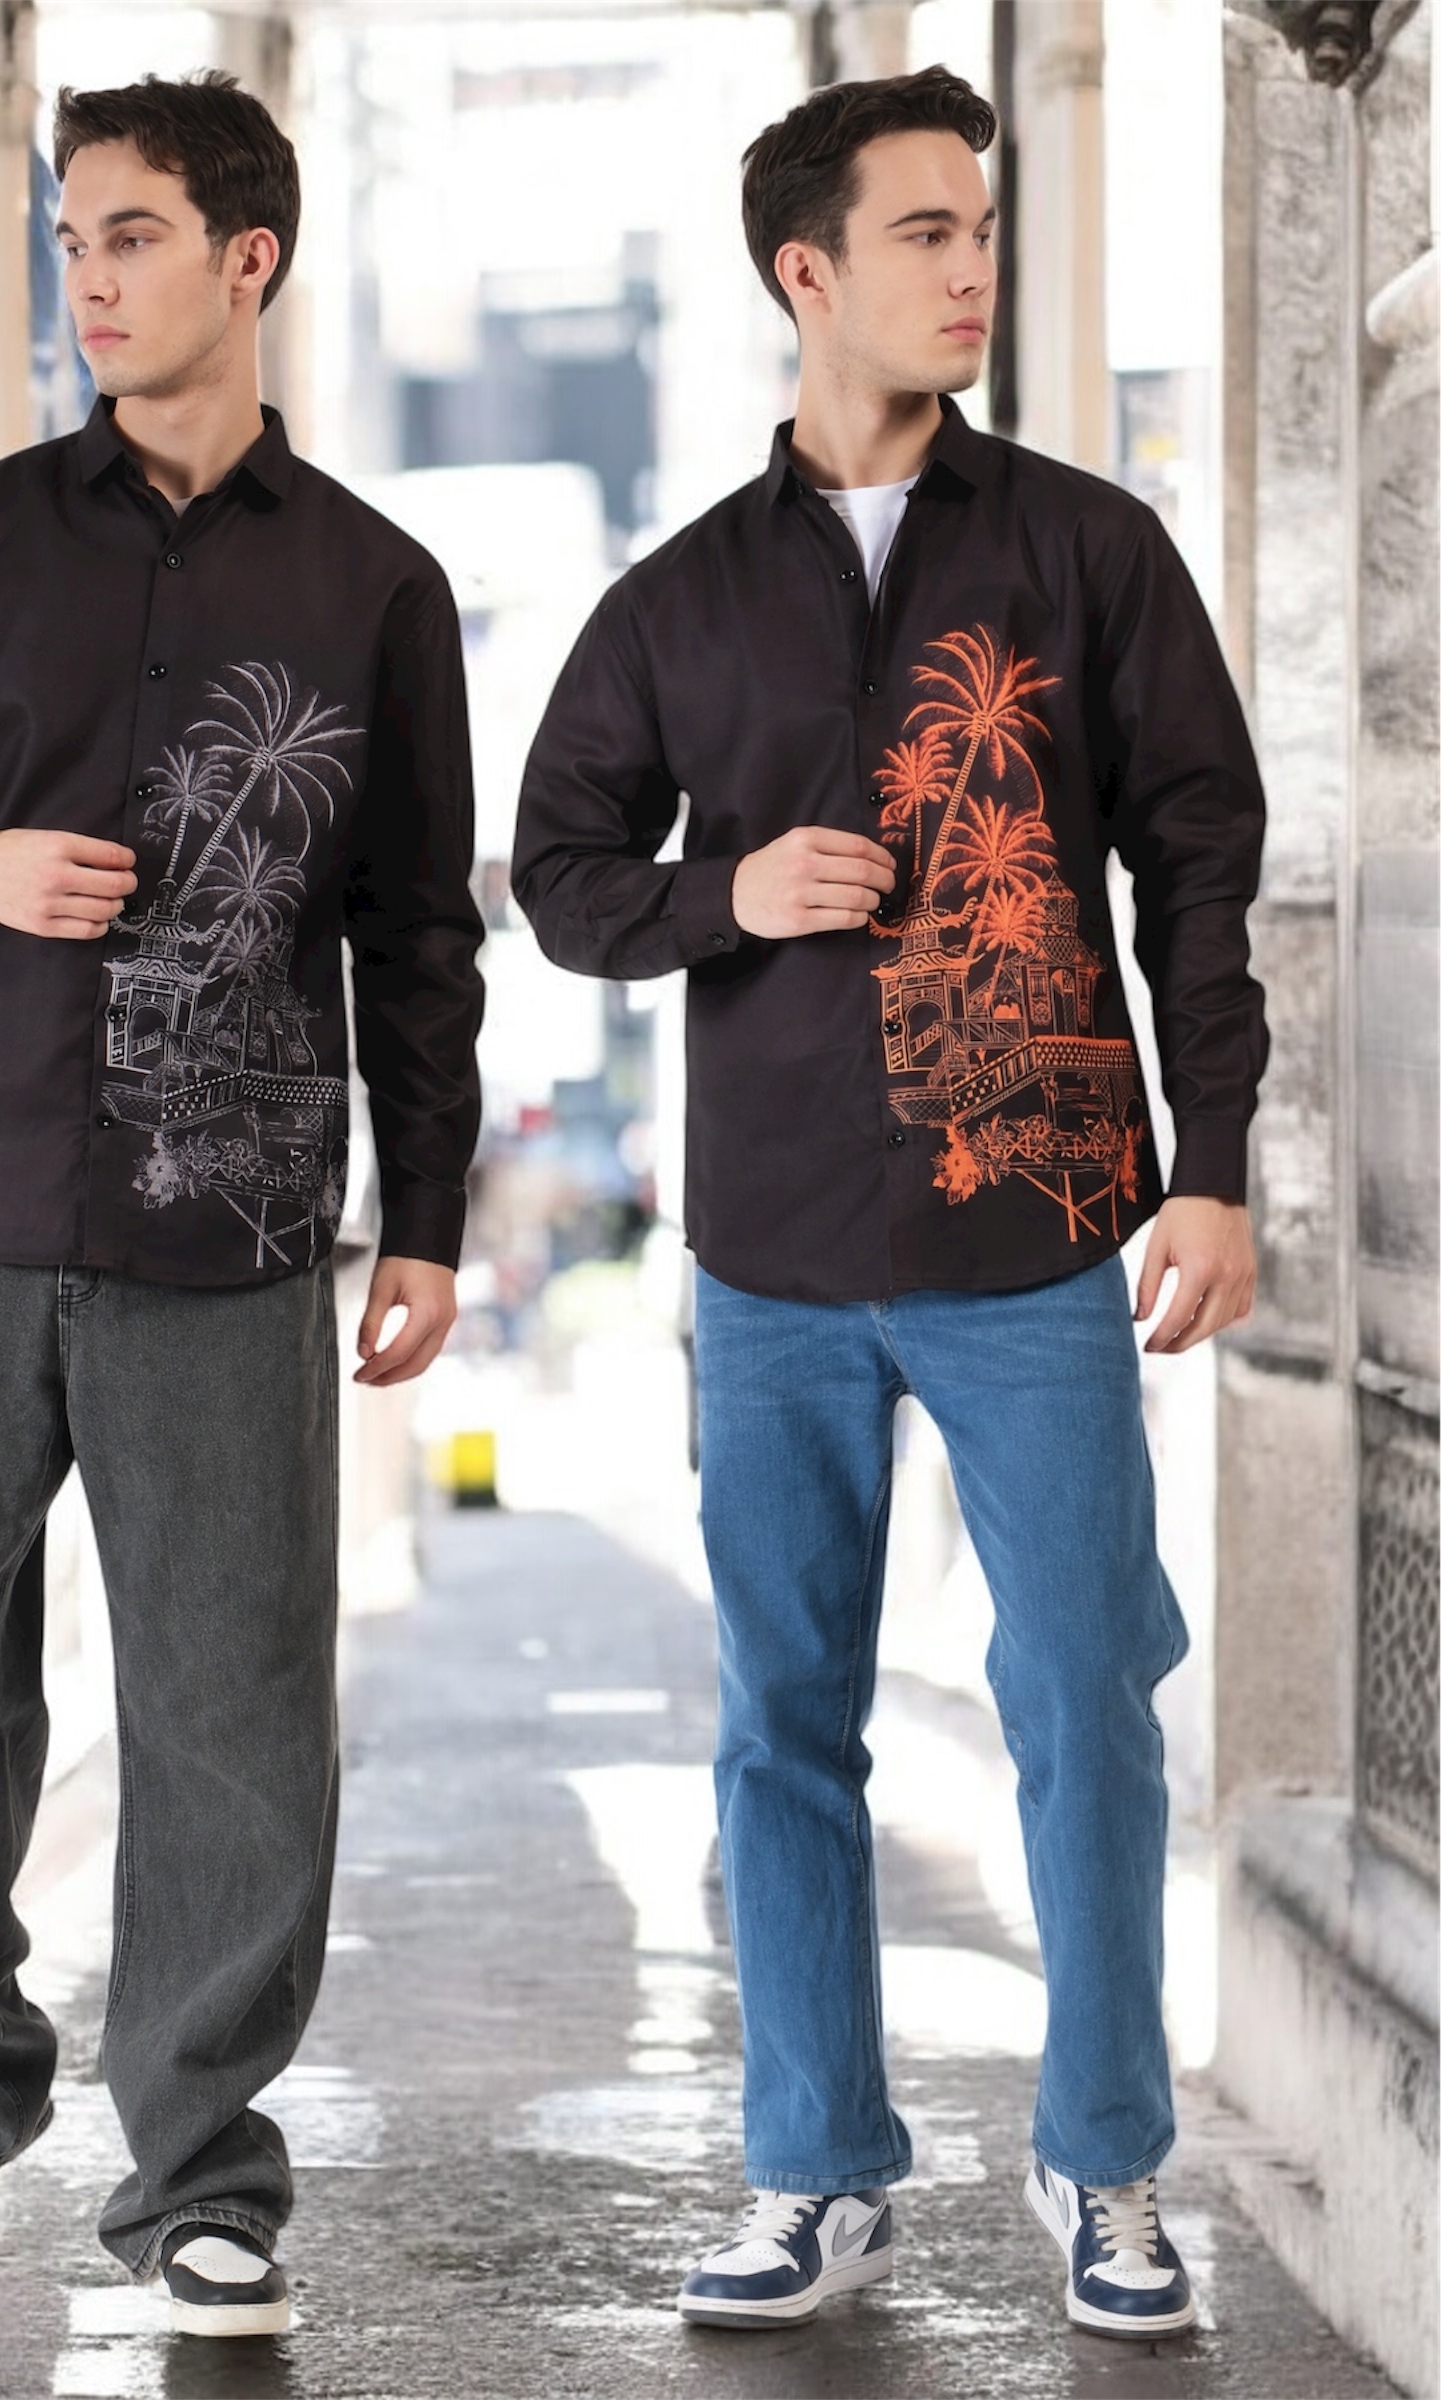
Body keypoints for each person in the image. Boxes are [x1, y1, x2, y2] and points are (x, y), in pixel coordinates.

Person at [513, 66, 1264, 2344]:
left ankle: (1104, 2162)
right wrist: (724, 894)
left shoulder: (1087, 552)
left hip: (1034, 1238)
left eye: (982, 228)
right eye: (925, 231)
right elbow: (555, 873)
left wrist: (1213, 1167)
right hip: (769, 1259)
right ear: (805, 270)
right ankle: (816, 2172)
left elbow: (1198, 864)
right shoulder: (676, 598)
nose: (970, 269)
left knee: (1084, 1702)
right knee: (782, 1723)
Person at [0, 71, 482, 2338]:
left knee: (231, 1702)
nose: (88, 276)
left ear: (247, 258)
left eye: (134, 234)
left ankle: (200, 2174)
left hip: (229, 1228)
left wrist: (429, 1217)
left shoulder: (374, 587)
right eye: (72, 236)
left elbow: (419, 932)